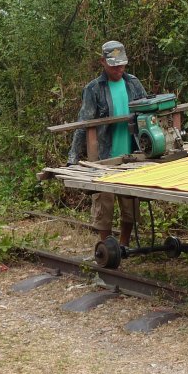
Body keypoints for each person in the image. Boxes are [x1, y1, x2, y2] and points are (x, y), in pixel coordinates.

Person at [67, 40, 148, 245]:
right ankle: (108, 247)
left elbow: (148, 112)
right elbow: (83, 123)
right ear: (103, 62)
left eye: (122, 65)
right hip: (105, 156)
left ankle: (124, 245)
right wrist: (73, 157)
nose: (119, 69)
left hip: (131, 153)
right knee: (104, 205)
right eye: (114, 65)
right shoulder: (94, 89)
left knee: (130, 204)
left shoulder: (133, 83)